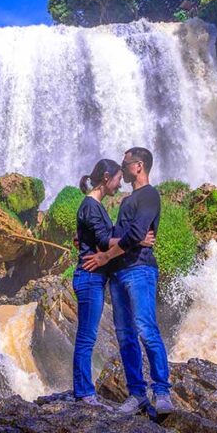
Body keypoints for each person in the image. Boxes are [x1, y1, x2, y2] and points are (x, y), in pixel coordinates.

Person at [83, 147, 173, 416]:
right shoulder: (127, 201)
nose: (121, 171)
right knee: (125, 336)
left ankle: (162, 391)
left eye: (125, 164)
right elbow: (123, 234)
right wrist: (89, 241)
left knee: (147, 329)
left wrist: (105, 256)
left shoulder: (149, 195)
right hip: (119, 272)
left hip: (139, 270)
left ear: (139, 166)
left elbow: (134, 233)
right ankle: (137, 395)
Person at [72, 158, 154, 407]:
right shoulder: (91, 205)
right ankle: (84, 392)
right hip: (89, 276)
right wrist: (138, 239)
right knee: (86, 337)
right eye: (118, 179)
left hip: (96, 277)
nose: (120, 185)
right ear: (106, 177)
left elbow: (96, 237)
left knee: (88, 335)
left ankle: (85, 390)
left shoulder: (94, 206)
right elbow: (104, 239)